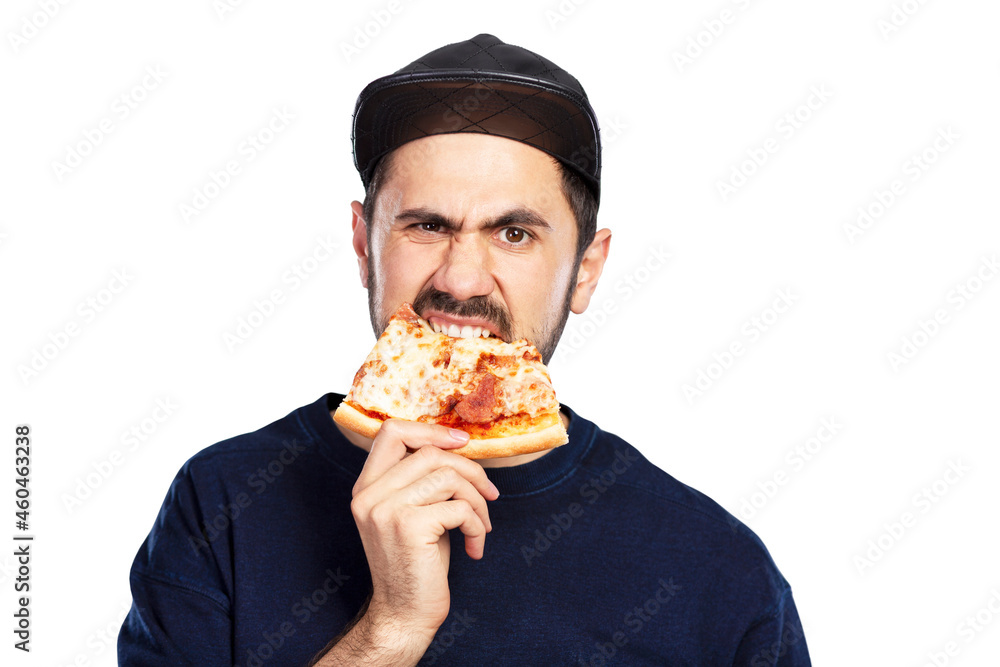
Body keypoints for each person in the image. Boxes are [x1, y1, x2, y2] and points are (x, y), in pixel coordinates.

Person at [119, 34, 811, 666]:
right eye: (426, 225)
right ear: (364, 245)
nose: (460, 278)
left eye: (514, 234)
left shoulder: (718, 573)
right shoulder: (221, 507)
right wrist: (389, 630)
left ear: (587, 270)